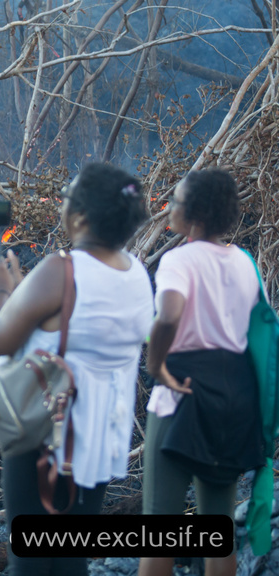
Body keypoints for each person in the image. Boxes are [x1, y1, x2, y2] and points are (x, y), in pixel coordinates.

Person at [0, 163, 154, 576]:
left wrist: (2, 289)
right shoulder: (136, 273)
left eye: (68, 195)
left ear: (80, 216)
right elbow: (70, 330)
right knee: (71, 551)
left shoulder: (62, 269)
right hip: (99, 435)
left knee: (30, 554)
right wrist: (22, 292)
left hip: (46, 429)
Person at [138, 169, 261, 576]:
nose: (168, 207)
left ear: (195, 213)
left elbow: (169, 314)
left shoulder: (178, 259)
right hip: (233, 398)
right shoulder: (244, 262)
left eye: (175, 201)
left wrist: (156, 365)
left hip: (182, 392)